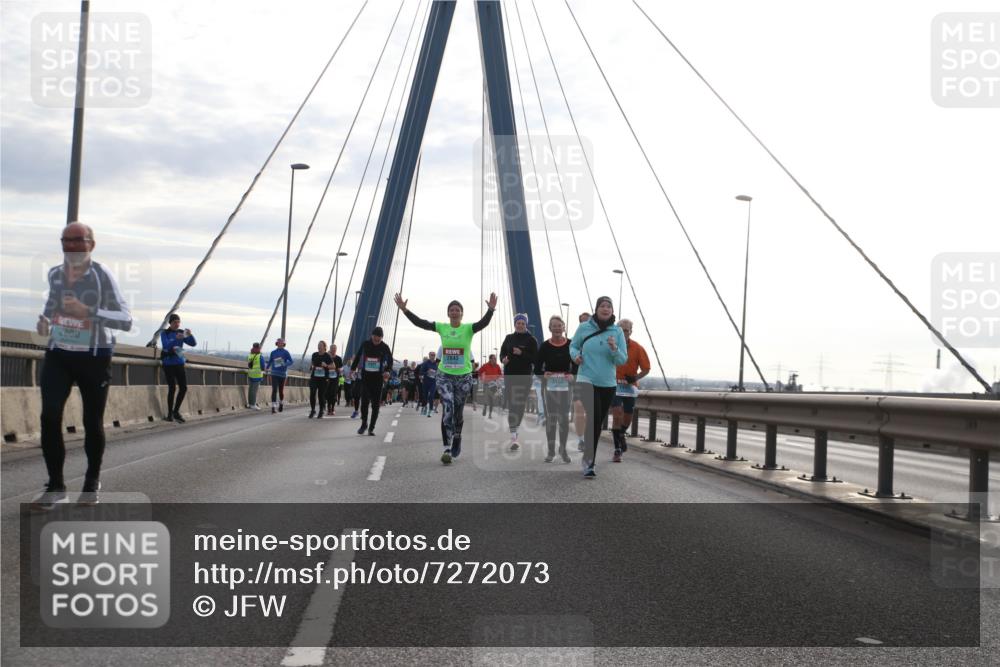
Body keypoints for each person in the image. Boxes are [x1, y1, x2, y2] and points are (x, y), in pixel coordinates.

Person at [31, 222, 133, 510]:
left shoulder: (102, 276)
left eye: (78, 240)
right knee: (49, 416)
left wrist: (87, 311)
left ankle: (91, 482)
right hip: (59, 353)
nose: (71, 246)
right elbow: (52, 307)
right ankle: (56, 486)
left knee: (91, 421)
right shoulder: (55, 274)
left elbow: (125, 319)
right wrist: (44, 320)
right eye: (66, 240)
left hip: (94, 354)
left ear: (91, 244)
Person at [394, 292, 497, 464]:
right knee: (448, 406)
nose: (455, 312)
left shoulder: (468, 329)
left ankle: (457, 436)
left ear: (462, 313)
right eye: (452, 310)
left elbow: (483, 323)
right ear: (448, 313)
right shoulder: (442, 327)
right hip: (445, 376)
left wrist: (491, 310)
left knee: (458, 411)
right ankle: (446, 447)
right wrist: (405, 310)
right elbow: (422, 323)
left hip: (463, 377)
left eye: (457, 310)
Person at [570, 297, 627, 478]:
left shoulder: (617, 331)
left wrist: (614, 348)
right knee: (593, 418)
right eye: (602, 306)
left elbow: (622, 359)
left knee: (598, 423)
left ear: (612, 311)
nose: (605, 309)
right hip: (586, 379)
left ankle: (587, 456)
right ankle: (589, 463)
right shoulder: (584, 327)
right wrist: (575, 356)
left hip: (608, 383)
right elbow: (573, 345)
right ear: (596, 309)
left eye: (609, 306)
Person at [534, 315, 576, 463]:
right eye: (554, 326)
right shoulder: (545, 346)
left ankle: (563, 449)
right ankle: (551, 451)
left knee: (564, 420)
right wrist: (543, 374)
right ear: (550, 328)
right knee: (552, 419)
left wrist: (573, 375)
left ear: (563, 327)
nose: (557, 328)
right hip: (550, 387)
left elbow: (577, 365)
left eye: (560, 325)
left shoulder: (571, 344)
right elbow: (537, 369)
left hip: (566, 387)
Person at [611, 319, 651, 461]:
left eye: (626, 330)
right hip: (614, 384)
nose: (623, 332)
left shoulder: (637, 348)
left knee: (627, 417)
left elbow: (646, 368)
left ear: (631, 332)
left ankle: (621, 433)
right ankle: (617, 450)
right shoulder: (610, 345)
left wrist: (635, 377)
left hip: (629, 386)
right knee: (617, 414)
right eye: (620, 330)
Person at [500, 313, 538, 451]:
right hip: (510, 375)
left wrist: (521, 353)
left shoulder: (531, 340)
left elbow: (535, 359)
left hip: (524, 376)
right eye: (518, 323)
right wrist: (503, 359)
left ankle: (516, 429)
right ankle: (513, 436)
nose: (520, 325)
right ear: (515, 324)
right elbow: (502, 353)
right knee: (512, 404)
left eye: (522, 323)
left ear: (526, 324)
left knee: (520, 405)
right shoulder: (509, 338)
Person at [350, 327, 393, 435]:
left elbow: (390, 361)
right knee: (364, 402)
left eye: (379, 338)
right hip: (365, 377)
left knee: (375, 405)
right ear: (371, 336)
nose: (376, 340)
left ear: (381, 338)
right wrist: (352, 369)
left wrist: (388, 370)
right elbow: (358, 356)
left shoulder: (384, 347)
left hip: (378, 378)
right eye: (375, 337)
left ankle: (371, 428)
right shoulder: (365, 344)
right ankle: (364, 423)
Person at [159, 313, 195, 423]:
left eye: (179, 322)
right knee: (172, 388)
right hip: (168, 363)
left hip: (179, 362)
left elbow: (193, 343)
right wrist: (176, 338)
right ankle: (170, 413)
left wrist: (190, 335)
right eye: (175, 322)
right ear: (170, 323)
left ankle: (176, 411)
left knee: (183, 388)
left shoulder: (181, 332)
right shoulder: (164, 333)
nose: (177, 324)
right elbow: (166, 346)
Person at [572, 311, 591, 451]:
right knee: (579, 408)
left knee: (590, 413)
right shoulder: (573, 341)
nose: (585, 323)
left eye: (587, 320)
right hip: (578, 380)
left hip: (595, 380)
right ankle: (581, 440)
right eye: (582, 321)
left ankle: (589, 437)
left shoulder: (598, 340)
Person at [267, 338, 293, 413]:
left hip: (282, 374)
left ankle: (281, 403)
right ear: (277, 343)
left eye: (282, 342)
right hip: (274, 373)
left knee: (281, 391)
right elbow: (270, 361)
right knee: (274, 390)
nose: (280, 343)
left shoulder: (286, 352)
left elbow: (291, 361)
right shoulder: (273, 352)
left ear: (284, 344)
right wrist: (267, 367)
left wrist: (285, 364)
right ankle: (273, 407)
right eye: (279, 342)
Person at [308, 341, 333, 419]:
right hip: (314, 377)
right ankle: (313, 410)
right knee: (312, 392)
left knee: (321, 395)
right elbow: (312, 364)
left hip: (323, 378)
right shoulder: (314, 354)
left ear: (324, 347)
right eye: (318, 345)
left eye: (321, 345)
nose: (319, 346)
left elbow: (333, 366)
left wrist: (326, 365)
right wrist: (311, 367)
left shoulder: (327, 356)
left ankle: (321, 410)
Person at [478, 354, 503, 418]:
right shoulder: (485, 365)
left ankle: (490, 414)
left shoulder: (497, 366)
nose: (495, 360)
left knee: (491, 400)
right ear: (490, 359)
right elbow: (479, 372)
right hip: (486, 384)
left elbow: (500, 374)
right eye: (494, 358)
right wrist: (482, 379)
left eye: (495, 358)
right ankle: (485, 407)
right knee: (486, 398)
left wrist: (498, 380)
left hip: (494, 385)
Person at [417, 352, 440, 417]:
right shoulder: (425, 363)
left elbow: (441, 372)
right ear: (429, 356)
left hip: (433, 382)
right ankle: (425, 407)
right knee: (425, 396)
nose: (433, 356)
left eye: (434, 355)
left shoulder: (437, 363)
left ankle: (430, 410)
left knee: (431, 396)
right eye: (431, 355)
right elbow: (421, 372)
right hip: (426, 382)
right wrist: (427, 372)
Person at [324, 344, 343, 415]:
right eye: (332, 348)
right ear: (330, 349)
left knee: (333, 393)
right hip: (328, 378)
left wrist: (338, 369)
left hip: (335, 378)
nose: (333, 350)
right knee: (328, 393)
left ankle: (333, 408)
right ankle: (329, 407)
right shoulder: (327, 358)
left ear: (336, 349)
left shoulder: (338, 358)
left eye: (335, 349)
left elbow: (341, 368)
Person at [246, 342, 265, 410]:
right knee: (254, 391)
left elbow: (249, 364)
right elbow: (263, 367)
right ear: (258, 348)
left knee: (250, 390)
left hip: (250, 374)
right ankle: (253, 404)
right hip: (257, 375)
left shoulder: (250, 355)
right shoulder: (260, 356)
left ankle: (250, 404)